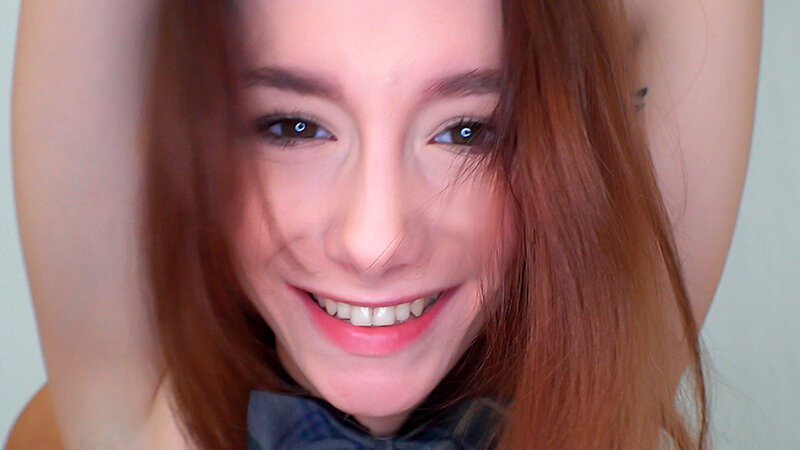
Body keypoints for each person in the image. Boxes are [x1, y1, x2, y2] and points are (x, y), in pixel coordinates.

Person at [11, 0, 762, 448]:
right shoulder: (125, 425)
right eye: (294, 127)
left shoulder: (606, 399)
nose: (375, 244)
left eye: (468, 131)